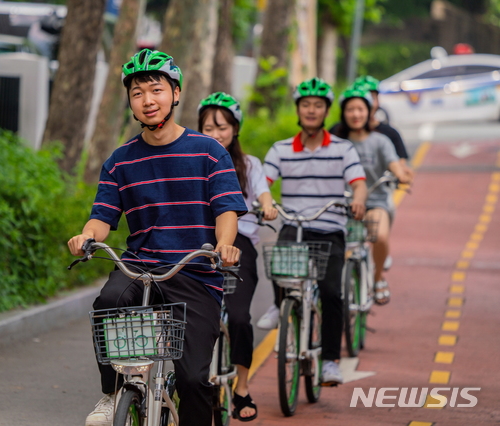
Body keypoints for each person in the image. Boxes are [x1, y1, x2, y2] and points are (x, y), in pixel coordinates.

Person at [68, 49, 247, 426]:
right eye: (137, 93)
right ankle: (112, 392)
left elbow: (226, 212)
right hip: (141, 266)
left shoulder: (210, 152)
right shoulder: (119, 161)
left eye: (156, 89)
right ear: (131, 102)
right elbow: (102, 217)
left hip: (194, 270)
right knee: (108, 301)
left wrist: (224, 244)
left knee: (195, 380)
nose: (148, 100)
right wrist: (86, 236)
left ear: (176, 93)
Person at [258, 77, 368, 385]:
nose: (311, 110)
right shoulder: (280, 149)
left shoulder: (343, 149)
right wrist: (265, 203)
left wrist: (358, 202)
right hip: (295, 224)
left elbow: (358, 184)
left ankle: (331, 360)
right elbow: (263, 184)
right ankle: (282, 303)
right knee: (279, 260)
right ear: (298, 109)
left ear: (326, 111)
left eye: (318, 106)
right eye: (306, 105)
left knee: (332, 292)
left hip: (330, 228)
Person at [197, 92, 278, 422]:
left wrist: (268, 206)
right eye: (208, 127)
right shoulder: (191, 160)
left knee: (240, 318)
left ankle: (241, 386)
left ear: (235, 129)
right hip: (197, 245)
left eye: (223, 127)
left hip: (237, 245)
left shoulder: (249, 165)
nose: (216, 134)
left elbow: (263, 192)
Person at [330, 85, 413, 305]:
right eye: (350, 110)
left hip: (375, 202)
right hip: (341, 203)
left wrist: (401, 175)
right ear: (343, 113)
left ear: (369, 112)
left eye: (360, 109)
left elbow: (395, 165)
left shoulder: (381, 141)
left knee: (380, 236)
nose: (356, 114)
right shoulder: (335, 142)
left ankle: (377, 279)